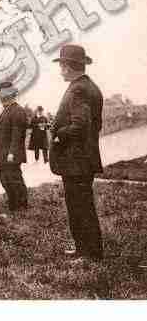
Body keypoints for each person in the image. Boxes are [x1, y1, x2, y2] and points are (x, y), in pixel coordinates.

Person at [49, 44, 104, 263]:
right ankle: (84, 249)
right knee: (80, 205)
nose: (60, 69)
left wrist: (58, 135)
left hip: (76, 161)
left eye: (62, 65)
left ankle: (90, 253)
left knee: (80, 207)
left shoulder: (78, 89)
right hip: (81, 159)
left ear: (69, 66)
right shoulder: (88, 86)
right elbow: (94, 125)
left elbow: (80, 124)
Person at [0, 81, 28, 213]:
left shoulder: (17, 111)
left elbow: (17, 135)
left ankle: (21, 205)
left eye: (1, 95)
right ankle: (14, 204)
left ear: (9, 96)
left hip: (10, 154)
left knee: (13, 179)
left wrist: (12, 153)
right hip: (4, 153)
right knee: (6, 179)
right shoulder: (7, 110)